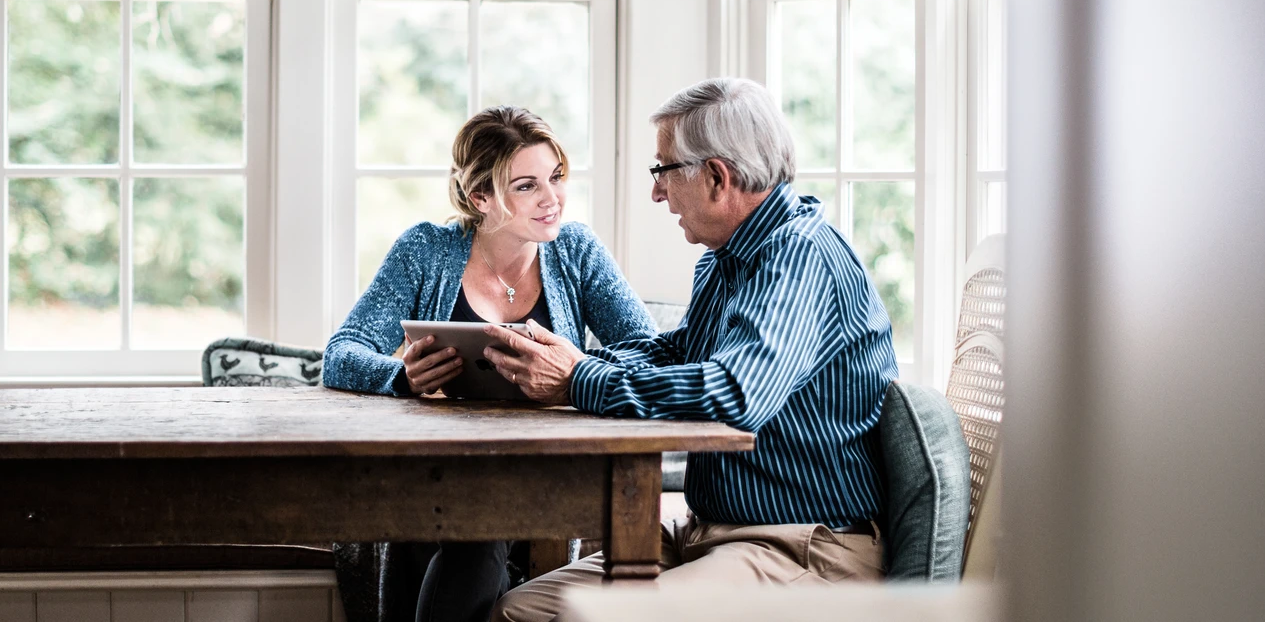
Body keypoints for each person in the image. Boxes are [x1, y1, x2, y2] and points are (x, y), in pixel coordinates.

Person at [479, 78, 900, 621]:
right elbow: (678, 355)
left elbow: (735, 393)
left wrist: (578, 380)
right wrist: (566, 361)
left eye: (664, 171)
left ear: (717, 178)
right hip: (711, 530)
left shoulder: (799, 256)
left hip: (802, 544)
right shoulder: (724, 261)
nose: (657, 193)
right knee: (517, 611)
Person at [322, 106, 657, 622]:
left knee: (478, 532)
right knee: (464, 534)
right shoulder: (424, 251)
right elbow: (342, 353)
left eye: (556, 177)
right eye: (527, 186)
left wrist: (573, 367)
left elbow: (648, 351)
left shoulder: (577, 252)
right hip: (435, 471)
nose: (552, 198)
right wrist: (400, 377)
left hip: (540, 473)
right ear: (480, 196)